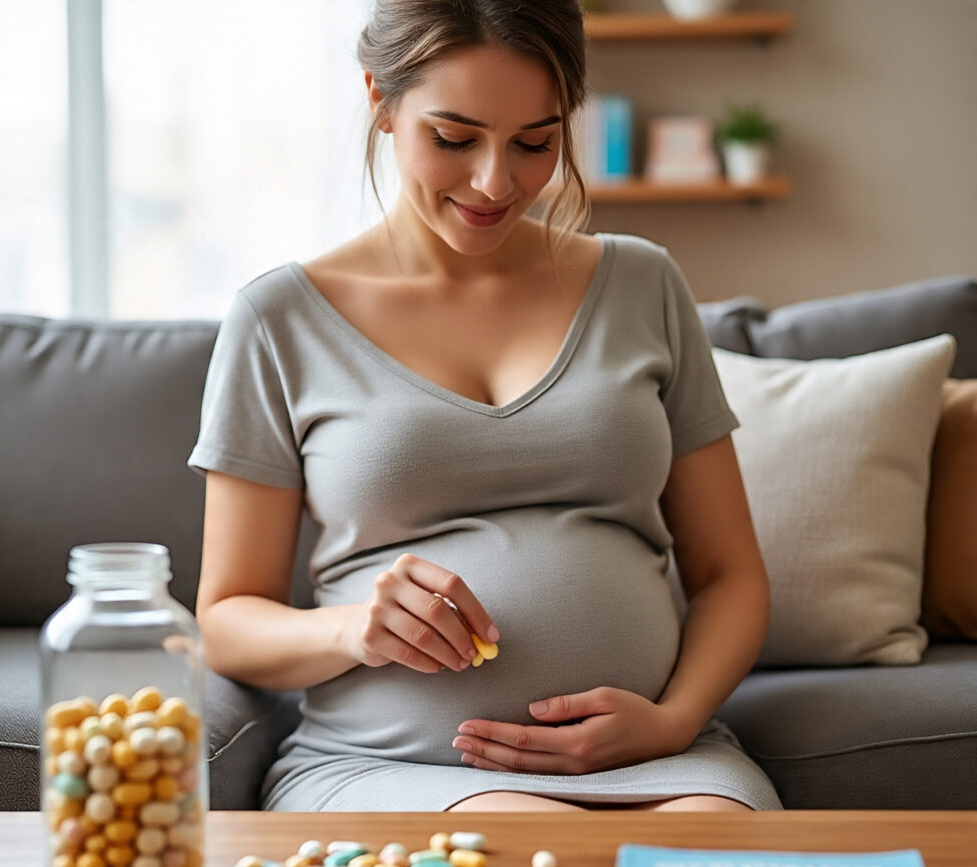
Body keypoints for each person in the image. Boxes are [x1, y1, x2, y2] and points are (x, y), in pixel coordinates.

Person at [187, 0, 781, 814]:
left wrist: (672, 723)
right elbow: (225, 619)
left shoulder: (645, 285)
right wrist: (354, 627)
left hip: (665, 759)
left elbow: (730, 575)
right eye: (454, 138)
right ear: (380, 100)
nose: (496, 183)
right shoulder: (279, 320)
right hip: (393, 767)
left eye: (535, 142)